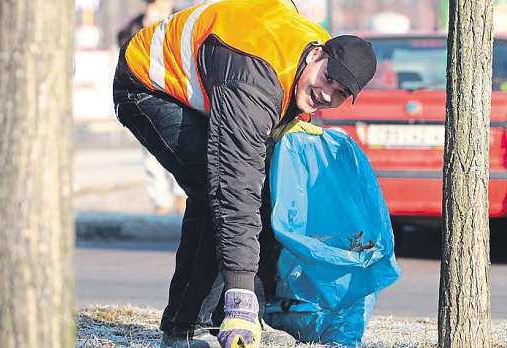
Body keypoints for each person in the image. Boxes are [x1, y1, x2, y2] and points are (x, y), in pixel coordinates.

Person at [112, 1, 377, 347]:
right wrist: (240, 296)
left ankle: (254, 314)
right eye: (329, 79)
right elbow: (234, 187)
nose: (327, 94)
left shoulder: (311, 55)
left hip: (220, 81)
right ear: (316, 57)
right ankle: (189, 329)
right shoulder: (253, 79)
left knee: (265, 190)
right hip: (147, 84)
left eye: (340, 94)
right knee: (218, 190)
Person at [117, 0, 186, 215]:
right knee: (151, 154)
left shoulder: (182, 18)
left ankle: (181, 197)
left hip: (176, 94)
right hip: (146, 95)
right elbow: (124, 49)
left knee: (181, 145)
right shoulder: (135, 26)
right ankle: (161, 202)